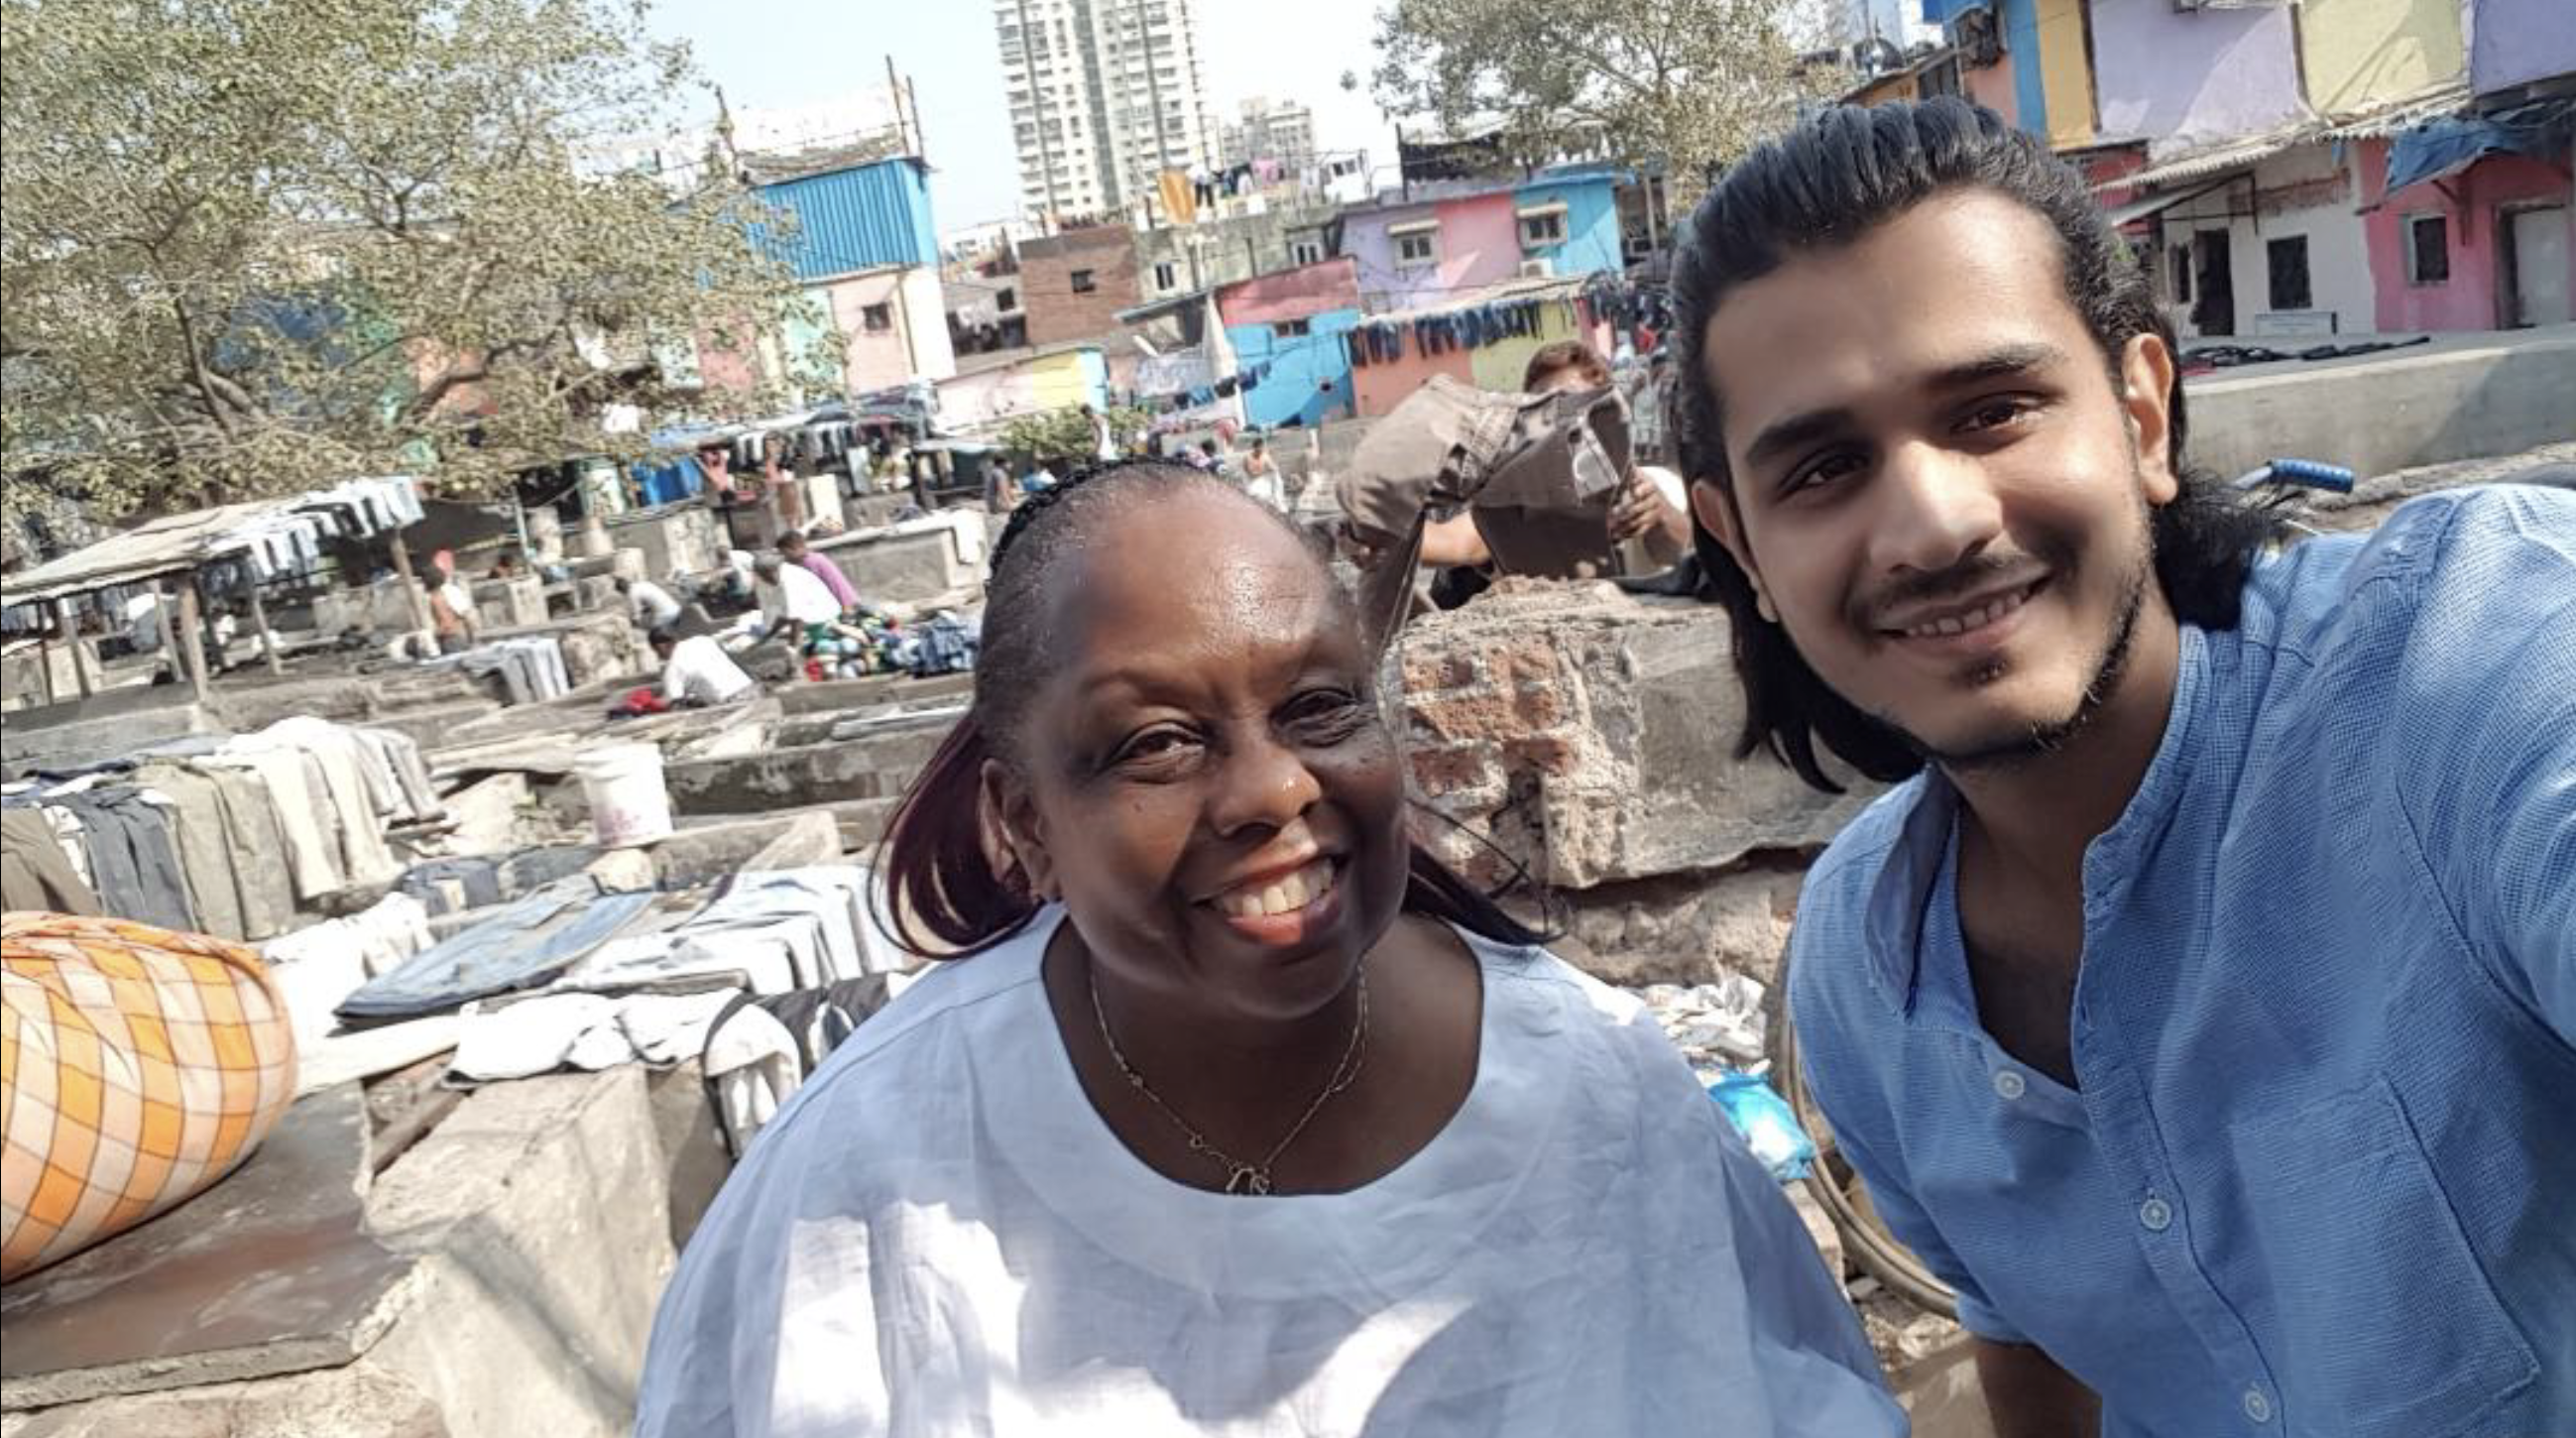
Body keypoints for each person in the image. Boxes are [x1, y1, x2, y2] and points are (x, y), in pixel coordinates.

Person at [634, 463, 1905, 1438]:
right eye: (1154, 744)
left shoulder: (1602, 1094)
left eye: (1316, 707)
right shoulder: (865, 1189)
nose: (1268, 790)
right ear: (1027, 823)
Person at [1673, 98, 2576, 1438]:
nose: (1931, 523)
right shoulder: (1866, 984)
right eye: (1822, 467)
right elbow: (2033, 1359)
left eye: (1990, 410)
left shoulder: (2459, 665)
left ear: (2142, 414)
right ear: (1739, 546)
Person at [753, 553, 842, 651]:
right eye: (763, 577)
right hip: (808, 621)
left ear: (774, 571)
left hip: (822, 616)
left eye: (767, 576)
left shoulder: (790, 580)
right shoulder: (774, 578)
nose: (766, 580)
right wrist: (768, 636)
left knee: (824, 649)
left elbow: (796, 617)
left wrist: (793, 647)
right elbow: (784, 615)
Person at [649, 626, 755, 707]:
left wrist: (647, 704)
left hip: (730, 701)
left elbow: (673, 701)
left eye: (655, 650)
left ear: (660, 647)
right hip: (750, 688)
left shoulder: (673, 667)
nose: (658, 655)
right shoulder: (702, 639)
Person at [777, 531, 862, 617]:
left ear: (797, 548)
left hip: (840, 605)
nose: (785, 557)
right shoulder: (802, 562)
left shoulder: (813, 562)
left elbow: (835, 583)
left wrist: (845, 605)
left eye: (786, 553)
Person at [617, 574, 682, 632]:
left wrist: (630, 625)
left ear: (622, 590)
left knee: (653, 633)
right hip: (675, 607)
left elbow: (637, 614)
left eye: (621, 592)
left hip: (667, 614)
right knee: (652, 618)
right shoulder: (643, 583)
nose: (623, 595)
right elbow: (649, 601)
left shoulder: (632, 593)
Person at [1241, 434, 1286, 511]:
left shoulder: (1265, 456)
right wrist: (1265, 471)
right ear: (1254, 448)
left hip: (1262, 479)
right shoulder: (1247, 458)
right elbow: (1251, 474)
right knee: (1259, 494)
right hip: (1252, 481)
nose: (1260, 449)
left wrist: (1273, 469)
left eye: (1261, 447)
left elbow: (1273, 467)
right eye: (1258, 447)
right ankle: (1272, 501)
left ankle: (1279, 501)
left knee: (1276, 476)